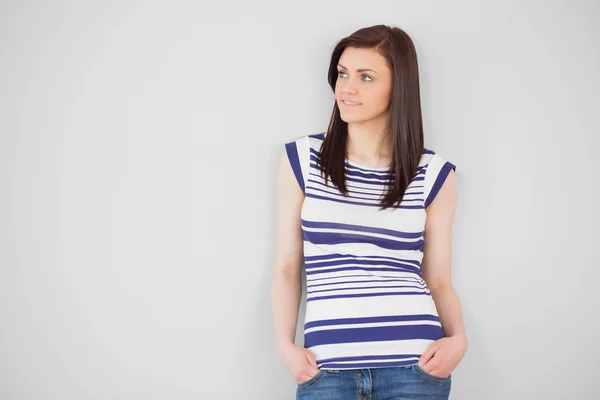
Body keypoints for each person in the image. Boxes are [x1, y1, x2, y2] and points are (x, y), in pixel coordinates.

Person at [270, 24, 467, 400]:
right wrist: (285, 346)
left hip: (415, 368)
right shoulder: (301, 159)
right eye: (342, 73)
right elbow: (287, 268)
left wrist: (458, 340)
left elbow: (439, 279)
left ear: (399, 87)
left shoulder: (433, 175)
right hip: (325, 369)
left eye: (366, 77)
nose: (347, 88)